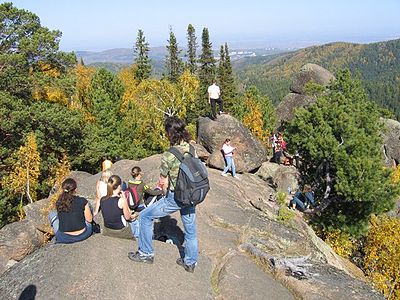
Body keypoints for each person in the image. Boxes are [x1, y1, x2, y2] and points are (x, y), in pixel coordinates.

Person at [128, 116, 198, 273]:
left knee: (145, 216)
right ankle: (190, 262)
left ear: (170, 133)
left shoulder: (169, 154)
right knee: (190, 229)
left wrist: (166, 195)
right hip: (192, 195)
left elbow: (164, 182)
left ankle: (146, 253)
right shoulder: (192, 149)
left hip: (176, 196)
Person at [48, 178, 93, 244]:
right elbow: (89, 220)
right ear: (75, 189)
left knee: (52, 214)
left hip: (64, 237)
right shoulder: (82, 200)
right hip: (83, 234)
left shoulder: (59, 202)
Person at [100, 175, 137, 239]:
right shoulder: (122, 201)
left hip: (107, 229)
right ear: (119, 186)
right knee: (136, 222)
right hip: (120, 231)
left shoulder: (102, 199)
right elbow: (128, 217)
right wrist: (124, 198)